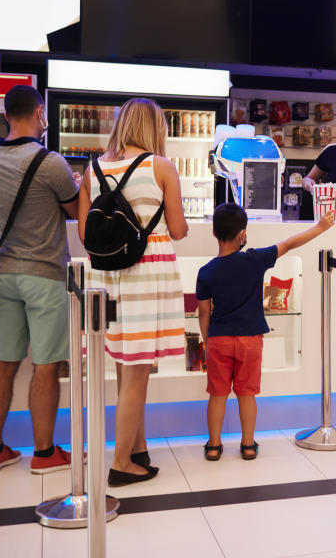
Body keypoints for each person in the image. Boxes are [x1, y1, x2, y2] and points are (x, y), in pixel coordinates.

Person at [77, 98, 189, 486]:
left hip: (105, 277)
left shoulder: (92, 168)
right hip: (146, 275)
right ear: (154, 128)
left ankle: (137, 448)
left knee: (127, 367)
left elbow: (84, 233)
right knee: (139, 371)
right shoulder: (161, 167)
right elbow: (177, 229)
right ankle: (121, 462)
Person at [0, 85, 79, 474]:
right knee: (46, 365)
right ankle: (45, 453)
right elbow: (73, 210)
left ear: (6, 114)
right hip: (44, 274)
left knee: (3, 362)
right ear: (39, 112)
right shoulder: (50, 162)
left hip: (1, 275)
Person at [196, 204, 335, 461]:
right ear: (242, 234)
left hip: (219, 341)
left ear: (214, 233)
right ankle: (248, 445)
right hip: (250, 341)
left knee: (217, 395)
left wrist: (208, 340)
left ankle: (213, 446)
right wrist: (320, 227)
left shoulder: (205, 272)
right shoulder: (254, 259)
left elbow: (204, 313)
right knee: (247, 394)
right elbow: (290, 244)